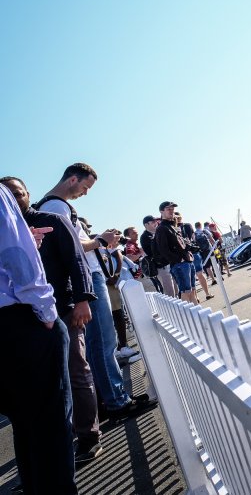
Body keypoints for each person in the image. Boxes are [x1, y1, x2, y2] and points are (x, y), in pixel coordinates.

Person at [36, 163, 154, 423]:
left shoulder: (53, 205)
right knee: (102, 341)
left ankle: (111, 398)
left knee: (98, 343)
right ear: (72, 179)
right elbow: (73, 245)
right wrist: (100, 240)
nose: (85, 193)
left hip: (87, 277)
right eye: (85, 187)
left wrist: (100, 240)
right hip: (88, 278)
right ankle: (117, 401)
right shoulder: (56, 206)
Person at [2, 176, 104, 466]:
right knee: (40, 389)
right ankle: (54, 449)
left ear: (28, 193)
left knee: (76, 371)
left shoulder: (53, 220)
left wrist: (83, 300)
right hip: (25, 322)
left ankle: (89, 436)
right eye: (9, 194)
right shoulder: (6, 229)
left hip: (63, 310)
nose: (15, 199)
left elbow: (76, 260)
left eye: (18, 193)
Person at [0, 183, 78, 494]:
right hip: (20, 320)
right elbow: (16, 256)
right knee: (50, 425)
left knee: (24, 422)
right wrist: (46, 312)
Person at [154, 201, 198, 303]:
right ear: (161, 212)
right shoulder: (161, 228)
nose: (171, 211)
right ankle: (188, 313)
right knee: (186, 292)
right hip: (179, 264)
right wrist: (178, 259)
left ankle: (197, 311)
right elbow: (163, 249)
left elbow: (180, 244)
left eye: (172, 209)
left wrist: (190, 249)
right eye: (168, 209)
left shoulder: (173, 226)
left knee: (192, 291)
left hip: (187, 261)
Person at [140, 215, 176, 297]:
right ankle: (171, 305)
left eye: (156, 221)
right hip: (160, 266)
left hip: (170, 262)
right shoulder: (144, 237)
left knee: (175, 286)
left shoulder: (159, 231)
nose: (155, 223)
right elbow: (152, 252)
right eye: (153, 222)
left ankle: (178, 301)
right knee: (169, 290)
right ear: (146, 225)